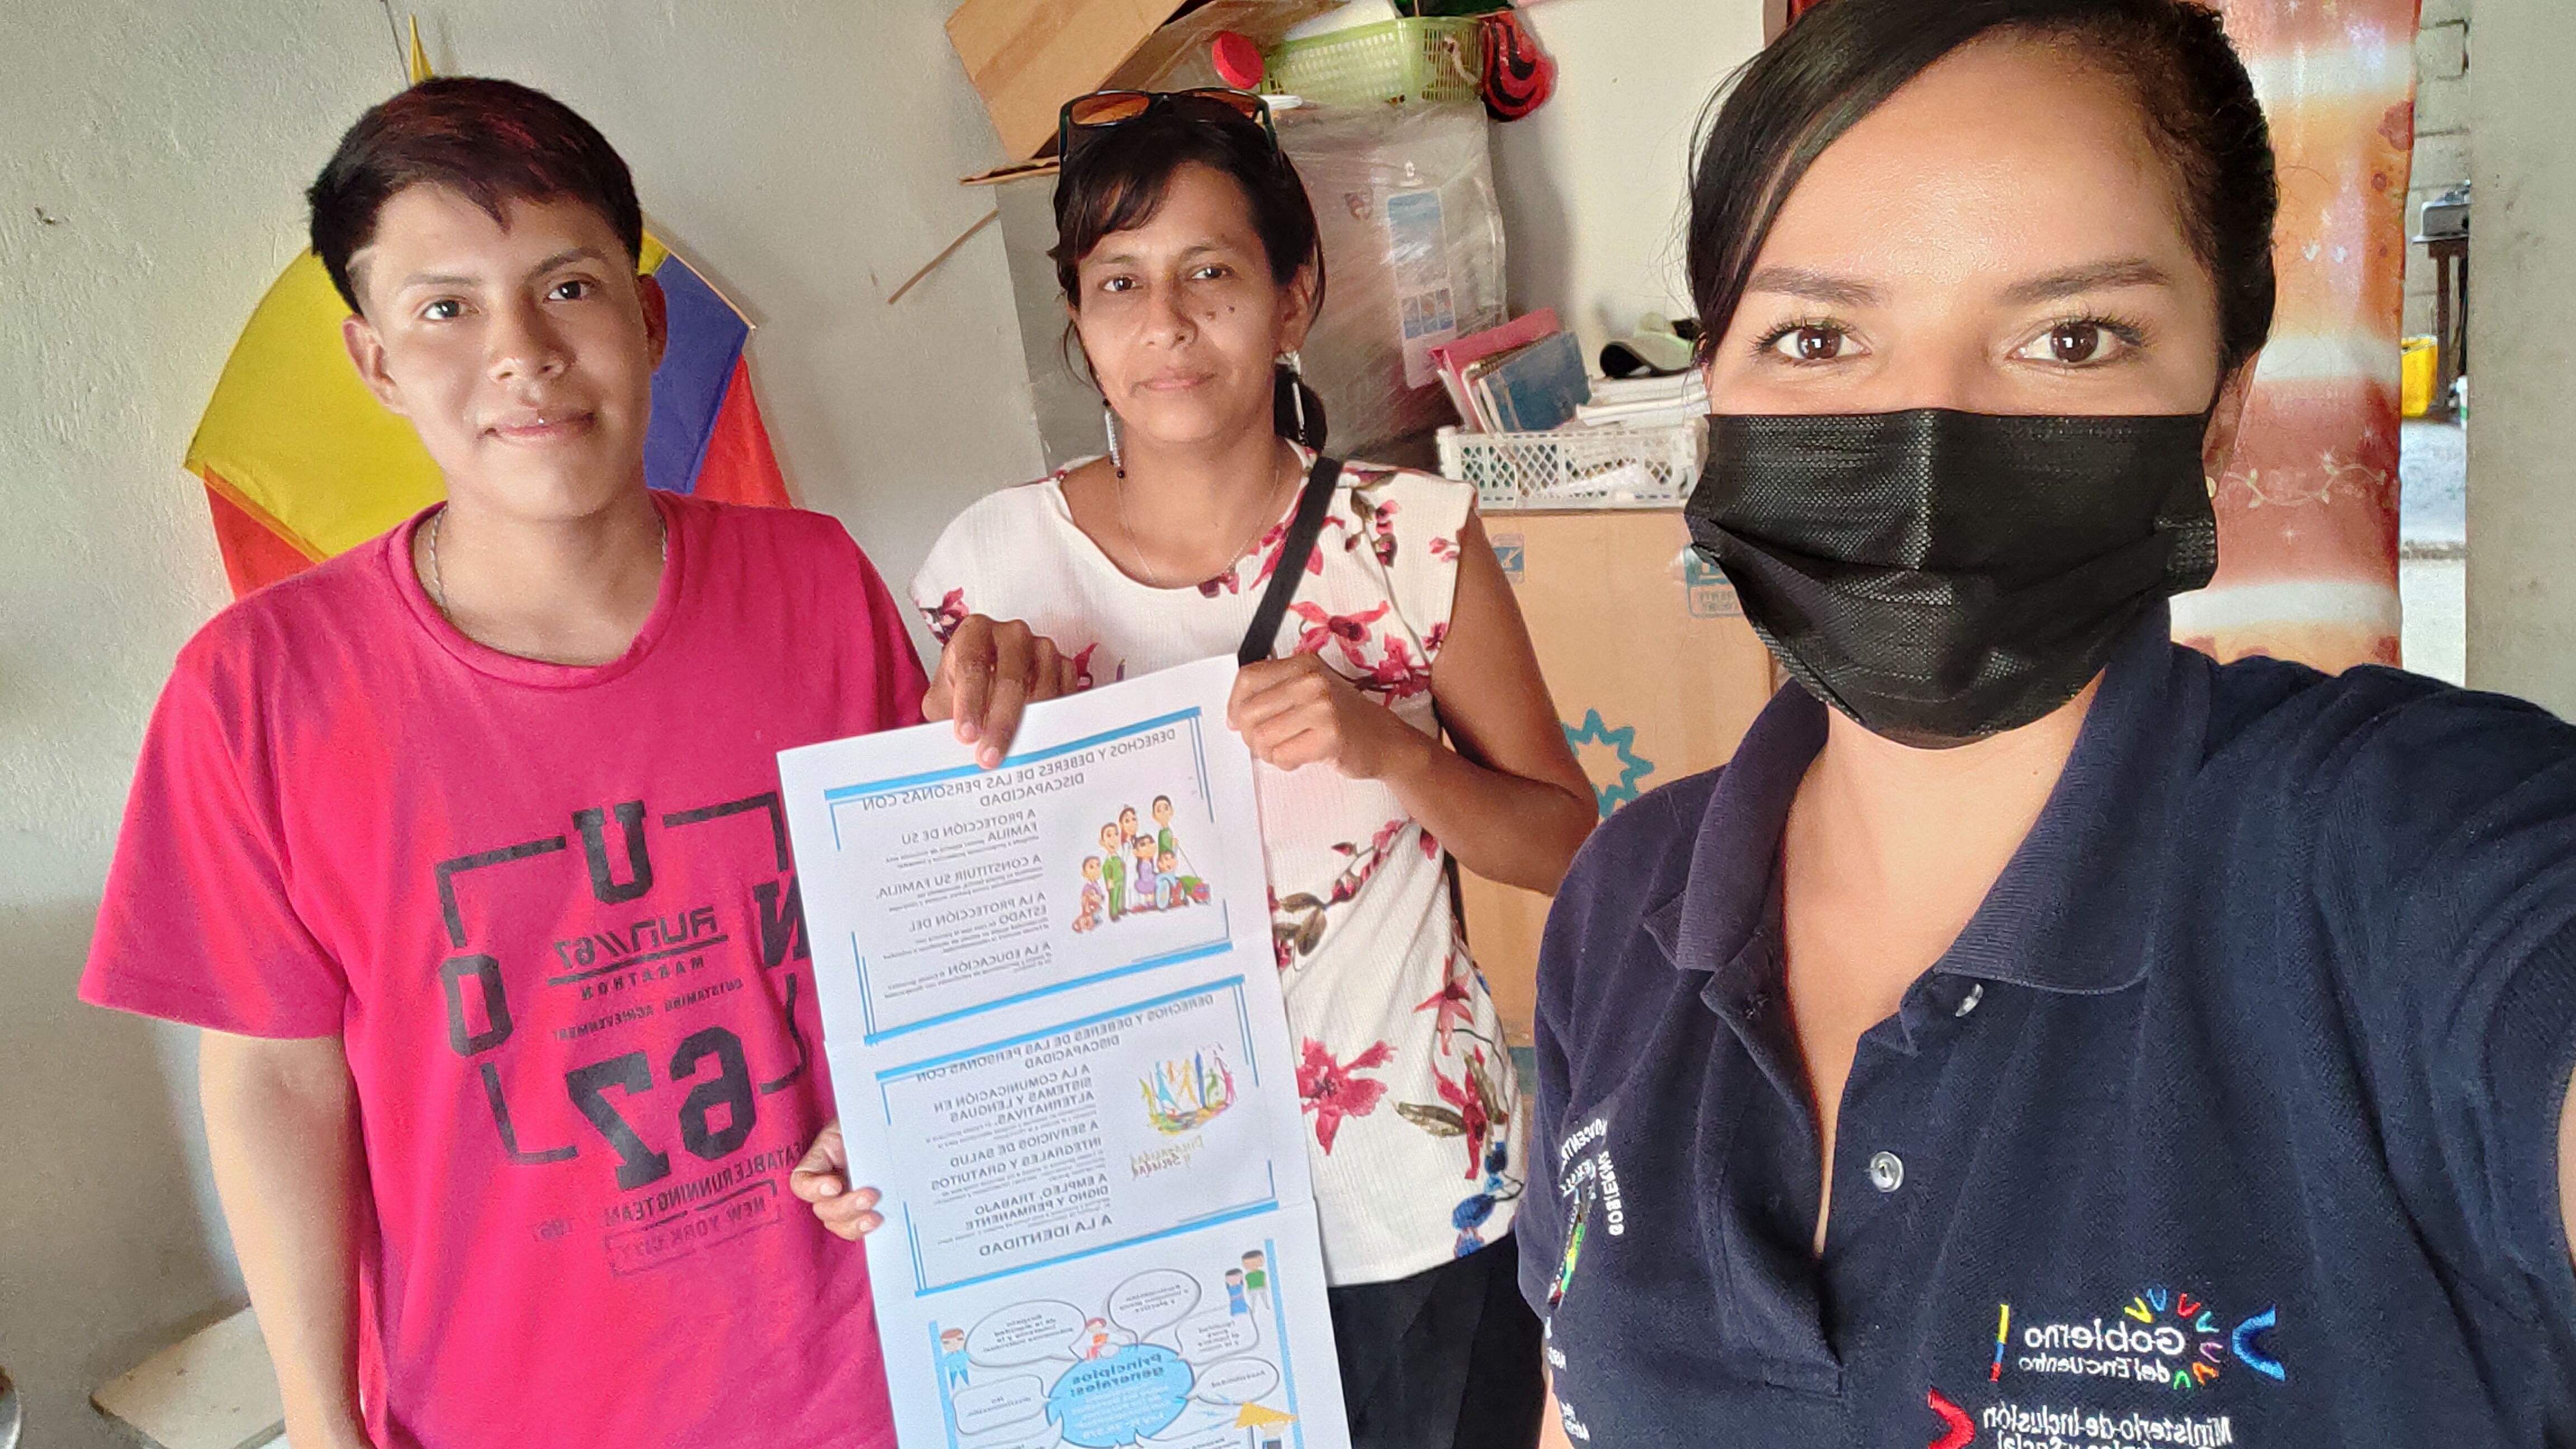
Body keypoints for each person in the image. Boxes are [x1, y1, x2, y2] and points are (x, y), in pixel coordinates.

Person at [1518, 1, 2576, 1443]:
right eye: (1817, 337)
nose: (1929, 451)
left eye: (2073, 339)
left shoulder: (2397, 862)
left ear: (2221, 410)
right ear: (1714, 392)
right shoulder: (1620, 905)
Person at [78, 78, 926, 1449]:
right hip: (501, 1409)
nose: (523, 353)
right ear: (375, 364)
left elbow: (910, 933)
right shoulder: (255, 691)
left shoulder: (818, 584)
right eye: (446, 309)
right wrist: (320, 1421)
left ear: (648, 319)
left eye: (568, 288)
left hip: (867, 1377)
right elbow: (277, 1085)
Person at [800, 88, 1595, 1449]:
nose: (1165, 322)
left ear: (1294, 299)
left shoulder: (1408, 540)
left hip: (1402, 1197)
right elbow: (940, 915)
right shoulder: (991, 569)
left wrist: (1390, 748)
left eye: (1211, 272)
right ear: (1079, 318)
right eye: (1120, 281)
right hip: (1126, 1207)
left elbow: (1569, 845)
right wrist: (878, 1118)